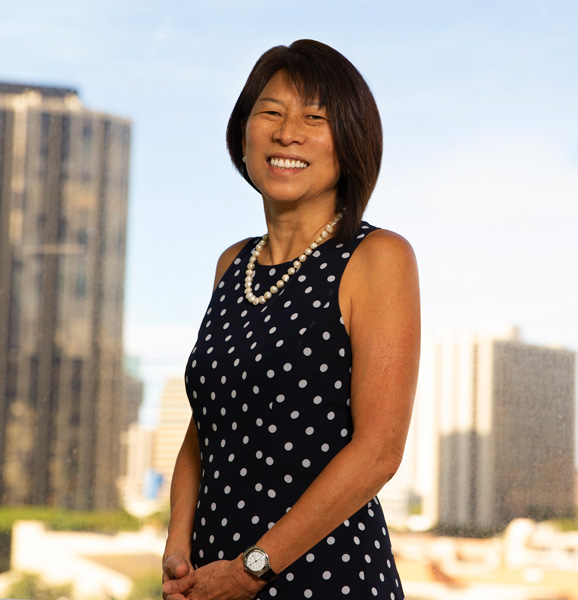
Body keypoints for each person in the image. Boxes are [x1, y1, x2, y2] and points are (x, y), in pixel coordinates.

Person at [162, 39, 420, 600]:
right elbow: (204, 429)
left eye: (314, 118)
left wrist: (250, 571)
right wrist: (178, 547)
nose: (287, 134)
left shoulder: (378, 257)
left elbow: (379, 451)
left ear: (351, 141)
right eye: (271, 112)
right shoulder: (233, 264)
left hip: (325, 576)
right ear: (244, 133)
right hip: (211, 577)